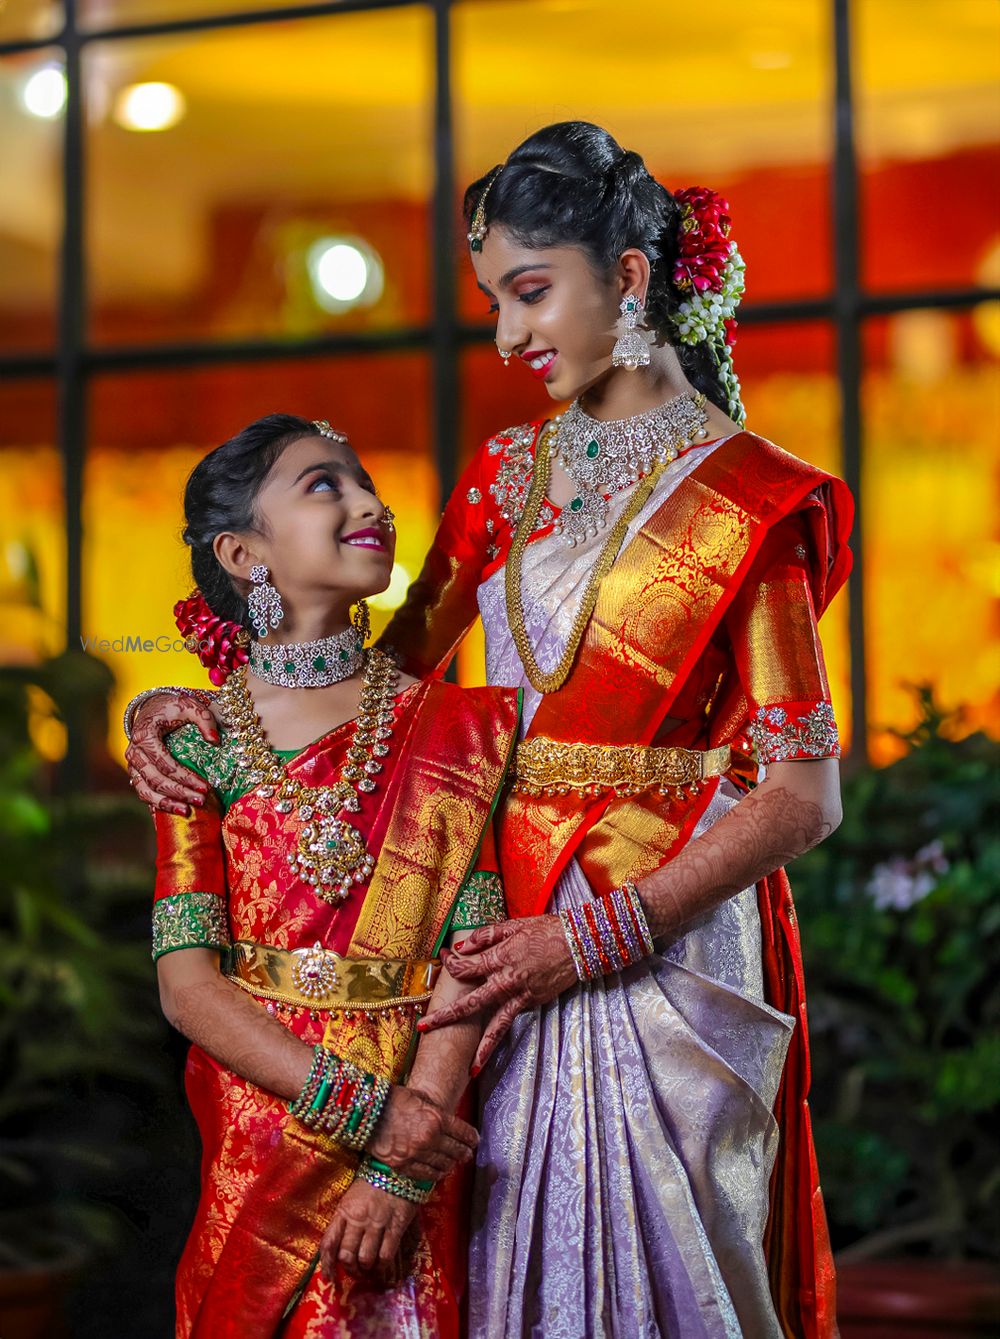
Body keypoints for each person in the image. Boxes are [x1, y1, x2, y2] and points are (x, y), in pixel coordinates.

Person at [127, 123, 852, 1339]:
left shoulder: (750, 498)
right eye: (494, 302)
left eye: (530, 293)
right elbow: (374, 678)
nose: (510, 337)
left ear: (628, 279)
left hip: (657, 933)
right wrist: (188, 703)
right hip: (475, 927)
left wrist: (593, 939)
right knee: (490, 1266)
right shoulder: (503, 474)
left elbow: (803, 796)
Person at [139, 413, 519, 1337]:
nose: (370, 504)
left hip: (424, 1112)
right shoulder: (197, 740)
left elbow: (473, 953)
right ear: (242, 551)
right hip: (263, 1122)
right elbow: (188, 986)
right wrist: (364, 1113)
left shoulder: (456, 727)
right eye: (324, 485)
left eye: (367, 485)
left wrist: (401, 1161)